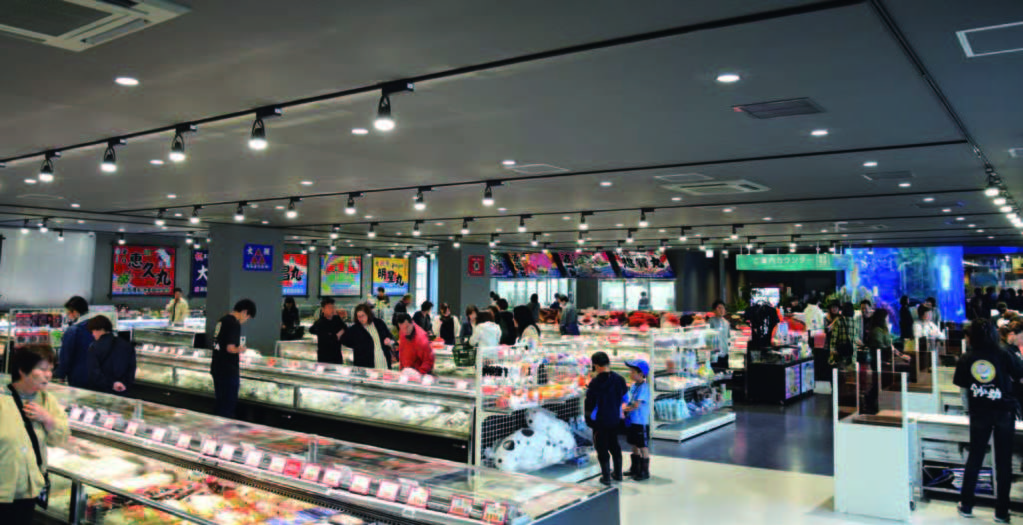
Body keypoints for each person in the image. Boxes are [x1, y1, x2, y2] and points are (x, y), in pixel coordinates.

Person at [954, 318, 1023, 522]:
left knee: (975, 457)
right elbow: (1019, 375)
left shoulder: (967, 357)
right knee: (1004, 461)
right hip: (1004, 412)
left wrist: (967, 411)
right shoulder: (1005, 353)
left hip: (979, 412)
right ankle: (1001, 512)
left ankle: (966, 505)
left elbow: (963, 388)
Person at [1, 345, 70, 523]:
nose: (48, 375)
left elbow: (61, 439)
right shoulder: (3, 399)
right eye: (42, 369)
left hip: (28, 490)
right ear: (23, 370)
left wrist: (48, 419)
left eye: (50, 370)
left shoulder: (47, 400)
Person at [585, 351, 628, 486]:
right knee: (615, 445)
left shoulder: (595, 383)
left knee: (602, 448)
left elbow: (590, 403)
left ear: (596, 365)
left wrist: (589, 420)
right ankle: (618, 474)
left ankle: (606, 477)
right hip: (615, 418)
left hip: (600, 421)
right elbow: (625, 398)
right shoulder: (619, 379)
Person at [210, 299, 256, 418]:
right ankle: (225, 428)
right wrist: (241, 349)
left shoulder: (222, 320)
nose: (246, 320)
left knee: (220, 403)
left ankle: (217, 427)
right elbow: (230, 348)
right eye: (248, 317)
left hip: (217, 366)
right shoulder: (234, 324)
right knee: (228, 406)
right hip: (228, 370)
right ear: (244, 312)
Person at [54, 296, 99, 388]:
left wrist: (61, 375)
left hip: (79, 376)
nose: (68, 316)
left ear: (74, 312)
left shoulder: (73, 330)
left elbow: (66, 356)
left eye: (68, 313)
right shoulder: (99, 327)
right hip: (99, 376)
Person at [84, 316, 136, 395]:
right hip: (123, 389)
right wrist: (124, 384)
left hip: (101, 391)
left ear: (100, 329)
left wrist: (112, 384)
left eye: (93, 331)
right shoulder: (126, 345)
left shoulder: (94, 347)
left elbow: (93, 372)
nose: (93, 335)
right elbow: (131, 367)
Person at [339, 304, 395, 369]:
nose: (361, 319)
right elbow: (344, 340)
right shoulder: (355, 329)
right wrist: (358, 347)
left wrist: (388, 339)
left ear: (368, 314)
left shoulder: (379, 323)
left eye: (363, 316)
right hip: (365, 364)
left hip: (382, 360)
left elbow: (389, 336)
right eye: (358, 317)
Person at [623, 359, 651, 481]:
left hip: (640, 422)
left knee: (643, 446)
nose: (630, 373)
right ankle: (635, 468)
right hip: (632, 420)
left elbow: (636, 405)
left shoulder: (644, 388)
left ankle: (644, 471)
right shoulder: (634, 386)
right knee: (634, 444)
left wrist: (624, 409)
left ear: (641, 374)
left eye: (632, 371)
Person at [310, 298, 347, 364]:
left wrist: (338, 334)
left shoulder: (337, 319)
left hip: (337, 356)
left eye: (333, 307)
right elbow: (329, 339)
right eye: (329, 308)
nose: (332, 310)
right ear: (323, 310)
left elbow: (345, 329)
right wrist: (337, 335)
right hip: (325, 358)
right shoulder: (320, 323)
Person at [828, 303, 856, 368]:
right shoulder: (854, 321)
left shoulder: (838, 320)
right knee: (849, 371)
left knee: (840, 370)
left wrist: (832, 352)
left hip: (841, 351)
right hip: (851, 352)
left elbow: (834, 337)